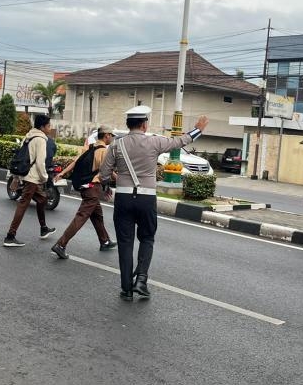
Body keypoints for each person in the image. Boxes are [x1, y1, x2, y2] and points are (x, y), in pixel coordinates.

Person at [99, 106, 209, 300]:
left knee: (125, 243)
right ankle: (141, 279)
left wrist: (108, 184)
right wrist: (197, 129)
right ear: (144, 124)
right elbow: (180, 141)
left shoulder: (116, 145)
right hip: (146, 199)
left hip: (123, 199)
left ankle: (126, 288)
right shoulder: (155, 141)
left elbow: (104, 174)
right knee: (147, 238)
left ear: (128, 124)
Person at [50, 126, 118, 259]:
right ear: (106, 136)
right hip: (93, 188)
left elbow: (75, 162)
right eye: (111, 136)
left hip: (85, 187)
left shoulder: (89, 147)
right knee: (81, 217)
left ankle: (104, 240)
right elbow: (108, 172)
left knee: (97, 215)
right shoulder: (104, 151)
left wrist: (62, 173)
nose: (112, 138)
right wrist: (120, 182)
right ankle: (61, 244)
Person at [3, 114, 57, 247]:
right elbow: (40, 163)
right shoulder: (41, 140)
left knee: (42, 199)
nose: (50, 128)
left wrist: (16, 178)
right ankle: (10, 236)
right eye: (49, 126)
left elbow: (21, 157)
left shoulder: (28, 136)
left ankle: (43, 228)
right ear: (42, 127)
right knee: (23, 205)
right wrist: (44, 178)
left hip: (27, 175)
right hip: (33, 178)